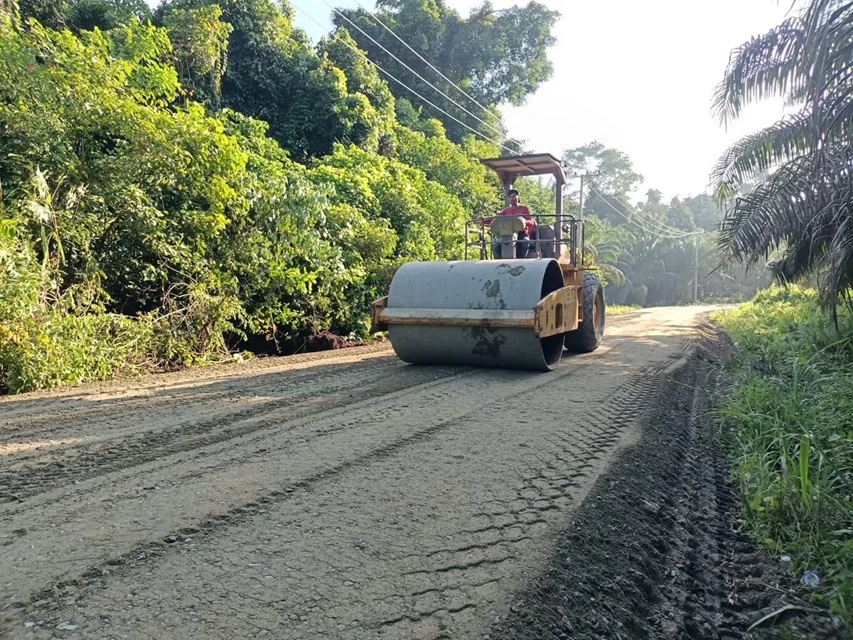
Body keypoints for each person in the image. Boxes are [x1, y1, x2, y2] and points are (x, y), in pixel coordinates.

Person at [482, 189, 537, 258]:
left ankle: (522, 261)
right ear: (508, 199)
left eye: (514, 196)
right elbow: (495, 219)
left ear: (518, 197)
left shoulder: (524, 209)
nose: (512, 198)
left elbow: (531, 222)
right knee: (496, 248)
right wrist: (483, 221)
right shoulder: (506, 211)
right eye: (510, 197)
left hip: (522, 234)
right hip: (507, 234)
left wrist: (523, 222)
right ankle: (501, 264)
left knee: (525, 242)